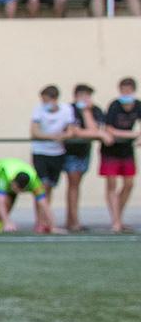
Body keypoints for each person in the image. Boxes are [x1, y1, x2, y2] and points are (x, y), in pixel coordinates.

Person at [27, 85, 72, 233]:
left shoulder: (66, 110)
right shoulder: (38, 110)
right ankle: (39, 221)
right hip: (40, 152)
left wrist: (64, 136)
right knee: (41, 186)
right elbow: (34, 131)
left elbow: (70, 130)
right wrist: (51, 137)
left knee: (50, 187)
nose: (44, 102)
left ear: (54, 99)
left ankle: (46, 219)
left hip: (57, 153)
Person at [61, 84, 102, 232]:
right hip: (70, 152)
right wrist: (95, 134)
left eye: (88, 95)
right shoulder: (69, 109)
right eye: (82, 95)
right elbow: (75, 132)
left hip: (84, 153)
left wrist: (86, 112)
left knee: (76, 186)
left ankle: (71, 219)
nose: (85, 99)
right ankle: (73, 221)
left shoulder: (94, 110)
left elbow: (95, 130)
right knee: (73, 185)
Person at [101, 77, 138, 232]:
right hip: (111, 151)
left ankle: (119, 217)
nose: (126, 93)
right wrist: (132, 134)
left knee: (129, 184)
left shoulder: (138, 106)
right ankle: (115, 221)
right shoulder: (114, 106)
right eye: (123, 90)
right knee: (111, 185)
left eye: (128, 90)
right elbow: (109, 129)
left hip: (127, 151)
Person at [0, 155, 48, 233]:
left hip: (14, 174)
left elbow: (44, 203)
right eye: (14, 188)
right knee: (5, 202)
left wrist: (52, 226)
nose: (16, 191)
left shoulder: (34, 181)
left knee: (9, 202)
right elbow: (0, 201)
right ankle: (0, 221)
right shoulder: (4, 175)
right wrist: (7, 222)